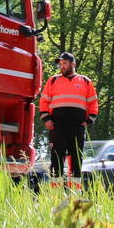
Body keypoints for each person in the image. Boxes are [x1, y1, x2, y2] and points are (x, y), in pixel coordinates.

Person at [38, 51, 98, 186]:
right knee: (56, 159)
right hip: (57, 126)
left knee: (76, 160)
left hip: (77, 127)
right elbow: (44, 101)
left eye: (64, 63)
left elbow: (93, 103)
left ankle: (74, 192)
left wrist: (89, 120)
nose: (62, 66)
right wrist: (46, 119)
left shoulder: (85, 81)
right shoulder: (53, 80)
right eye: (60, 64)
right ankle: (55, 192)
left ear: (73, 64)